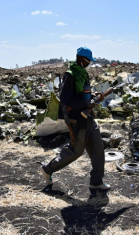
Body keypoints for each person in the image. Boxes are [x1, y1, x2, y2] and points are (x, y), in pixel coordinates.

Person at [41, 47, 111, 190]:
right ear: (80, 59)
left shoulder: (82, 74)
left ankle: (96, 182)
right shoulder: (70, 75)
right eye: (88, 61)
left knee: (98, 148)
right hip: (77, 120)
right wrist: (87, 103)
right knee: (76, 151)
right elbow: (66, 99)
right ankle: (47, 169)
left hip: (89, 117)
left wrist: (93, 96)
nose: (89, 64)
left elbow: (82, 95)